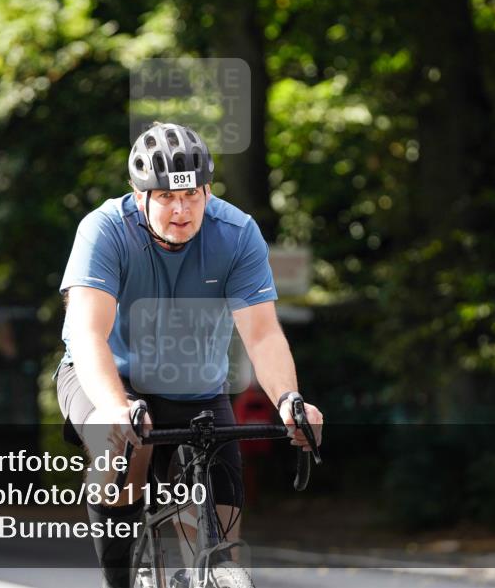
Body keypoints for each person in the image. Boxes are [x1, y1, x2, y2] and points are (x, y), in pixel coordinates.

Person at [53, 122, 323, 588]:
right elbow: (87, 332)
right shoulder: (104, 230)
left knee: (219, 528)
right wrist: (116, 408)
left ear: (208, 191)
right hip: (107, 376)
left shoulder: (236, 234)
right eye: (165, 197)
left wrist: (288, 399)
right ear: (140, 196)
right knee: (123, 449)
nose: (181, 210)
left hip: (194, 386)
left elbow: (262, 334)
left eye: (191, 195)